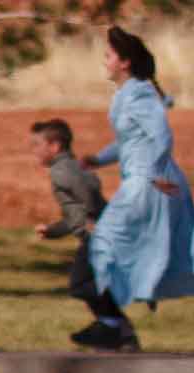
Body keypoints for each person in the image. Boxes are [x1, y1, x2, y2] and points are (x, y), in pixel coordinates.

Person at [79, 26, 194, 354]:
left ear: (124, 62)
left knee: (105, 240)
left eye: (109, 56)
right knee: (190, 246)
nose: (104, 62)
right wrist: (98, 159)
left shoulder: (138, 94)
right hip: (156, 181)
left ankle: (112, 325)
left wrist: (153, 175)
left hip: (150, 183)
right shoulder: (129, 94)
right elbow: (130, 141)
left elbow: (162, 136)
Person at [27, 119, 123, 349]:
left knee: (80, 284)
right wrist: (52, 231)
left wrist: (91, 217)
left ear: (54, 146)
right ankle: (112, 328)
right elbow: (74, 216)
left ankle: (114, 326)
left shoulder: (62, 170)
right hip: (101, 231)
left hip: (98, 234)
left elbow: (87, 191)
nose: (34, 151)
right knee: (87, 282)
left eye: (36, 145)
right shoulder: (71, 166)